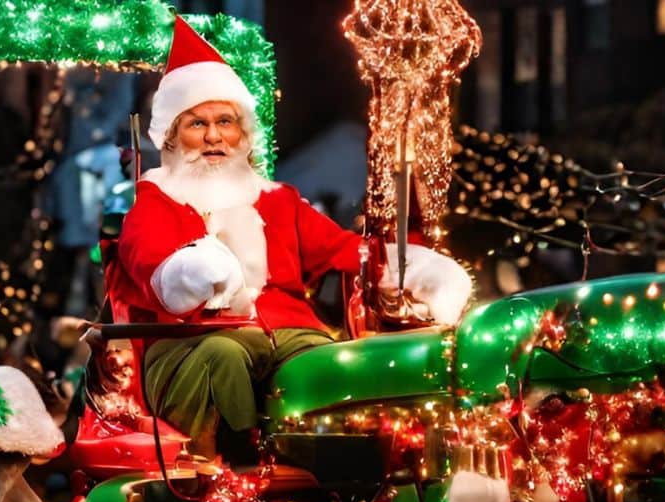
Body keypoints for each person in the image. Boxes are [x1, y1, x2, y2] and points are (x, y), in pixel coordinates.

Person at [114, 18, 471, 462]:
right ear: (171, 136)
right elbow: (152, 266)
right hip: (190, 341)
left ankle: (334, 461)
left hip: (285, 331)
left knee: (325, 356)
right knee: (224, 357)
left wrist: (413, 270)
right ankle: (240, 464)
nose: (213, 137)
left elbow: (343, 250)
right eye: (197, 124)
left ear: (242, 134)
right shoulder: (155, 203)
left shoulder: (278, 200)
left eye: (225, 122)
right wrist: (193, 270)